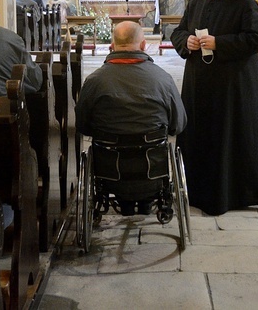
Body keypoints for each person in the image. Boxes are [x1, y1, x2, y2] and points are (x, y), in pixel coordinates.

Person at [170, 0, 258, 215]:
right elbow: (178, 32)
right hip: (198, 86)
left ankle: (233, 194)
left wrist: (219, 44)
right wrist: (187, 41)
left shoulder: (245, 4)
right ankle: (195, 190)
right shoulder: (196, 4)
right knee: (200, 137)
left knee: (227, 138)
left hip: (232, 89)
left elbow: (256, 39)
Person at [76, 21, 186, 215]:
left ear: (112, 46)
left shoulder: (94, 80)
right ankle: (147, 199)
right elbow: (178, 124)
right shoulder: (163, 79)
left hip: (109, 171)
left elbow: (83, 125)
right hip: (152, 167)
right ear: (143, 45)